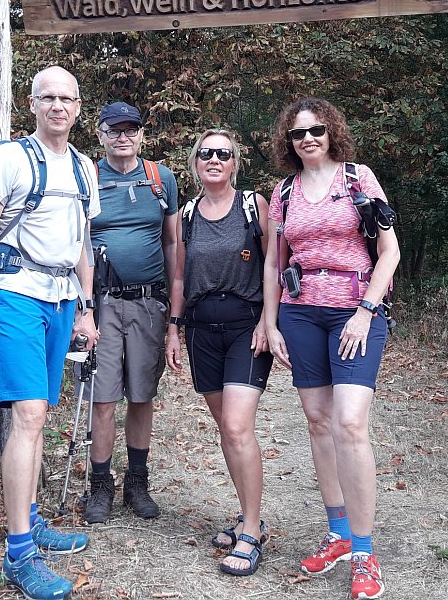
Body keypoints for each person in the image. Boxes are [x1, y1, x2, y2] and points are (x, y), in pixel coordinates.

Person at [0, 66, 100, 600]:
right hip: (16, 293)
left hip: (62, 298)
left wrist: (87, 308)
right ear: (32, 103)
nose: (58, 106)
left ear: (79, 107)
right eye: (48, 97)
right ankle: (19, 552)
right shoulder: (10, 158)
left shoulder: (85, 167)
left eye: (67, 98)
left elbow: (83, 243)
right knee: (29, 415)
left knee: (38, 415)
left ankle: (33, 520)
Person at [262, 97, 400, 600]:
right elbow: (274, 262)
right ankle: (338, 533)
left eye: (316, 130)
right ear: (289, 141)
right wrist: (271, 322)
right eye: (298, 133)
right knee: (319, 423)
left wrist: (365, 311)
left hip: (354, 311)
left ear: (331, 131)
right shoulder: (283, 192)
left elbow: (389, 251)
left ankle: (364, 552)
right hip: (301, 313)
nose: (308, 139)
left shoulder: (358, 179)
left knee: (350, 424)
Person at [165, 129, 273, 576]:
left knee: (236, 426)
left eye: (222, 154)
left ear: (234, 163)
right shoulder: (186, 215)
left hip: (246, 326)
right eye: (206, 153)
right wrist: (173, 330)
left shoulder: (253, 206)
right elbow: (178, 277)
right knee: (226, 430)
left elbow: (274, 265)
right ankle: (250, 516)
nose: (214, 159)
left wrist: (269, 321)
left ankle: (251, 532)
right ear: (195, 162)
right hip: (201, 329)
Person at [82, 101, 179, 523]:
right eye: (113, 130)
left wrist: (174, 309)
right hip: (101, 304)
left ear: (141, 134)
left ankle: (137, 483)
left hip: (148, 302)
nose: (122, 137)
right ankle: (100, 486)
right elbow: (78, 243)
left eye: (130, 129)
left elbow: (173, 243)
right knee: (103, 399)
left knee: (142, 396)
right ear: (100, 135)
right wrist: (83, 307)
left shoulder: (161, 179)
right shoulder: (87, 177)